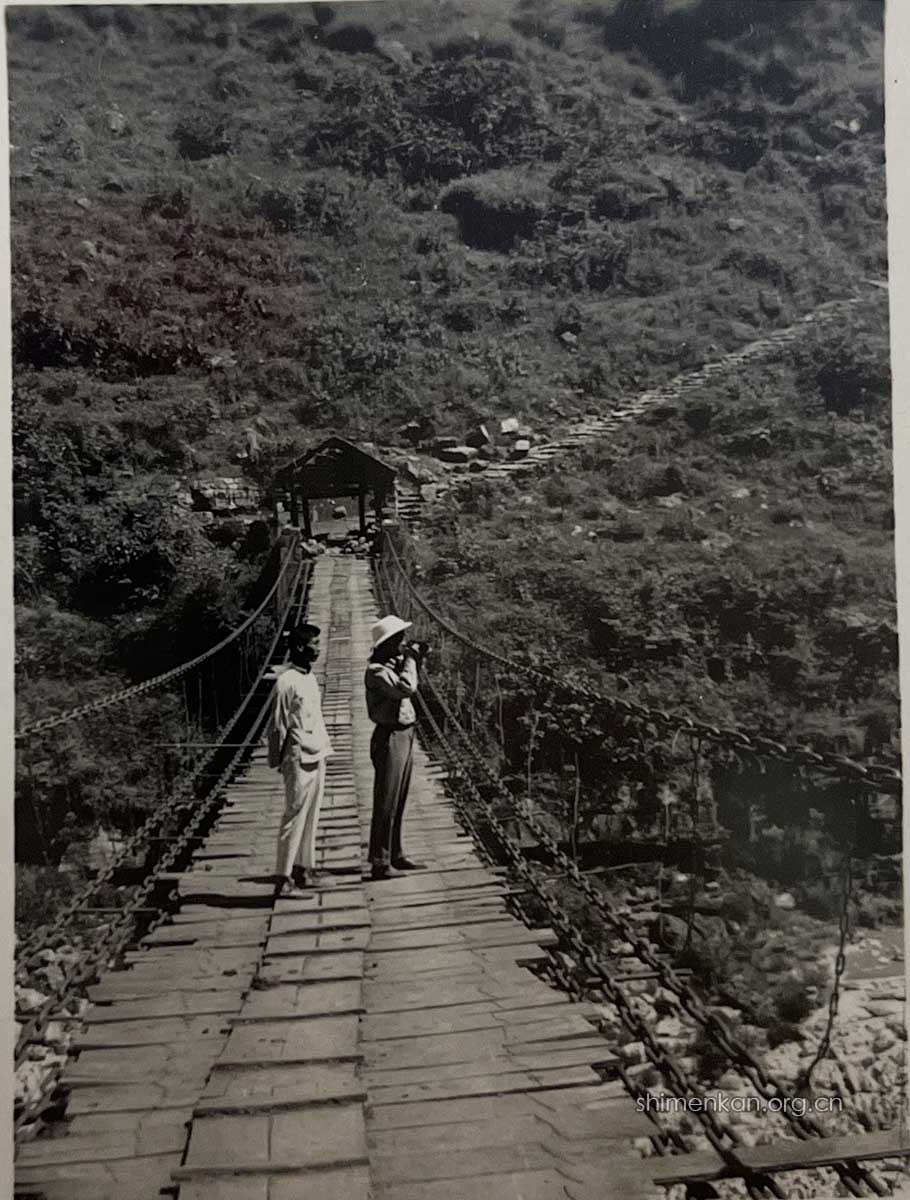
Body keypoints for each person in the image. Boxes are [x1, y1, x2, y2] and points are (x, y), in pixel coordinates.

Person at [268, 623, 333, 896]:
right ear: (298, 647)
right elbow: (277, 725)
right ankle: (282, 879)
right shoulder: (286, 682)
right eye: (314, 644)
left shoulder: (309, 677)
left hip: (317, 752)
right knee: (293, 815)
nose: (318, 648)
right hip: (297, 757)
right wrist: (279, 761)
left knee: (311, 815)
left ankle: (303, 868)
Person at [365, 615, 429, 880]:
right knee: (386, 800)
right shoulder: (376, 672)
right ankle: (380, 861)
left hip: (404, 733)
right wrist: (411, 660)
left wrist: (414, 660)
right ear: (387, 643)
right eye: (398, 639)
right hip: (389, 736)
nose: (403, 643)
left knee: (398, 798)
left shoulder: (392, 665)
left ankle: (395, 853)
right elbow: (406, 688)